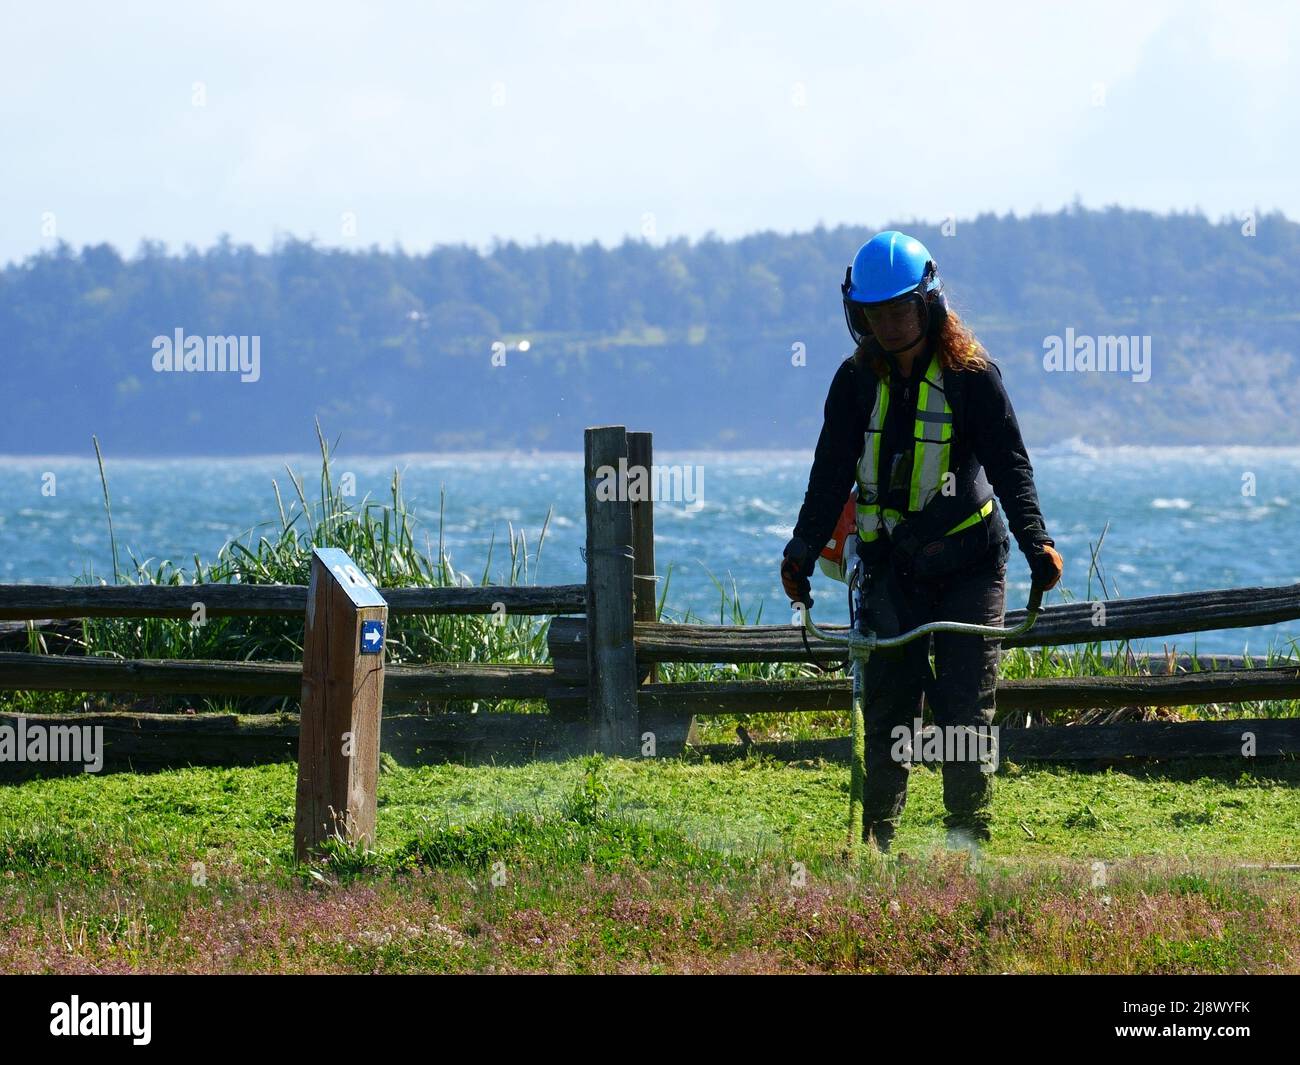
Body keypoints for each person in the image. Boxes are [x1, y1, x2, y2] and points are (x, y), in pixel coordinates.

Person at [780, 231, 1063, 853]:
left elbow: (1011, 466)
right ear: (856, 312)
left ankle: (968, 839)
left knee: (965, 706)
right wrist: (801, 550)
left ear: (928, 302)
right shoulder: (852, 384)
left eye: (897, 309)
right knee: (888, 708)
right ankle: (877, 842)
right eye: (873, 312)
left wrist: (1037, 543)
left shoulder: (973, 377)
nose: (885, 323)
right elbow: (829, 474)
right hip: (886, 568)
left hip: (970, 564)